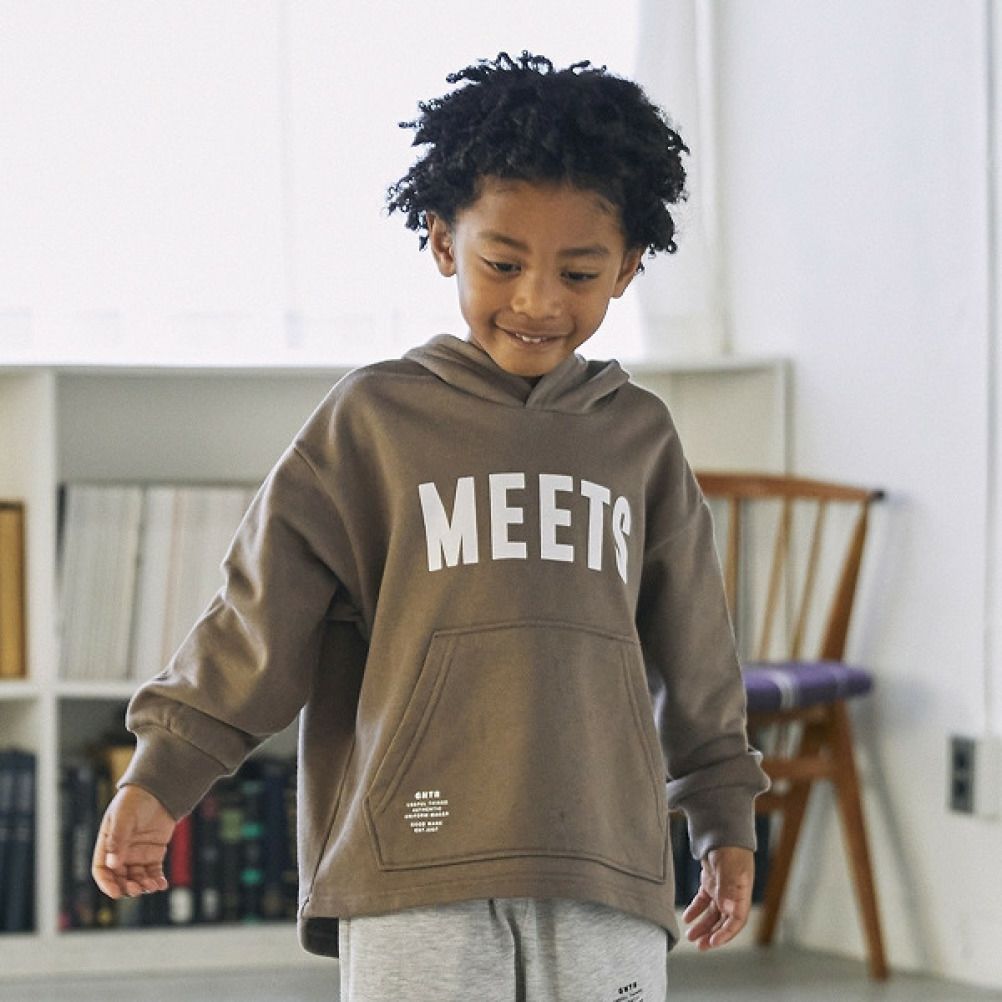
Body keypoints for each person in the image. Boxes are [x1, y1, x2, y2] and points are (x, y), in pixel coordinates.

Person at [92, 51, 768, 1001]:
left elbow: (697, 651)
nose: (538, 300)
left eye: (579, 271)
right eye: (503, 263)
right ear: (444, 242)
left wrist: (724, 812)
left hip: (606, 860)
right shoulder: (372, 422)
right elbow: (258, 618)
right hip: (412, 857)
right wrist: (162, 775)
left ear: (627, 269)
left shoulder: (640, 438)